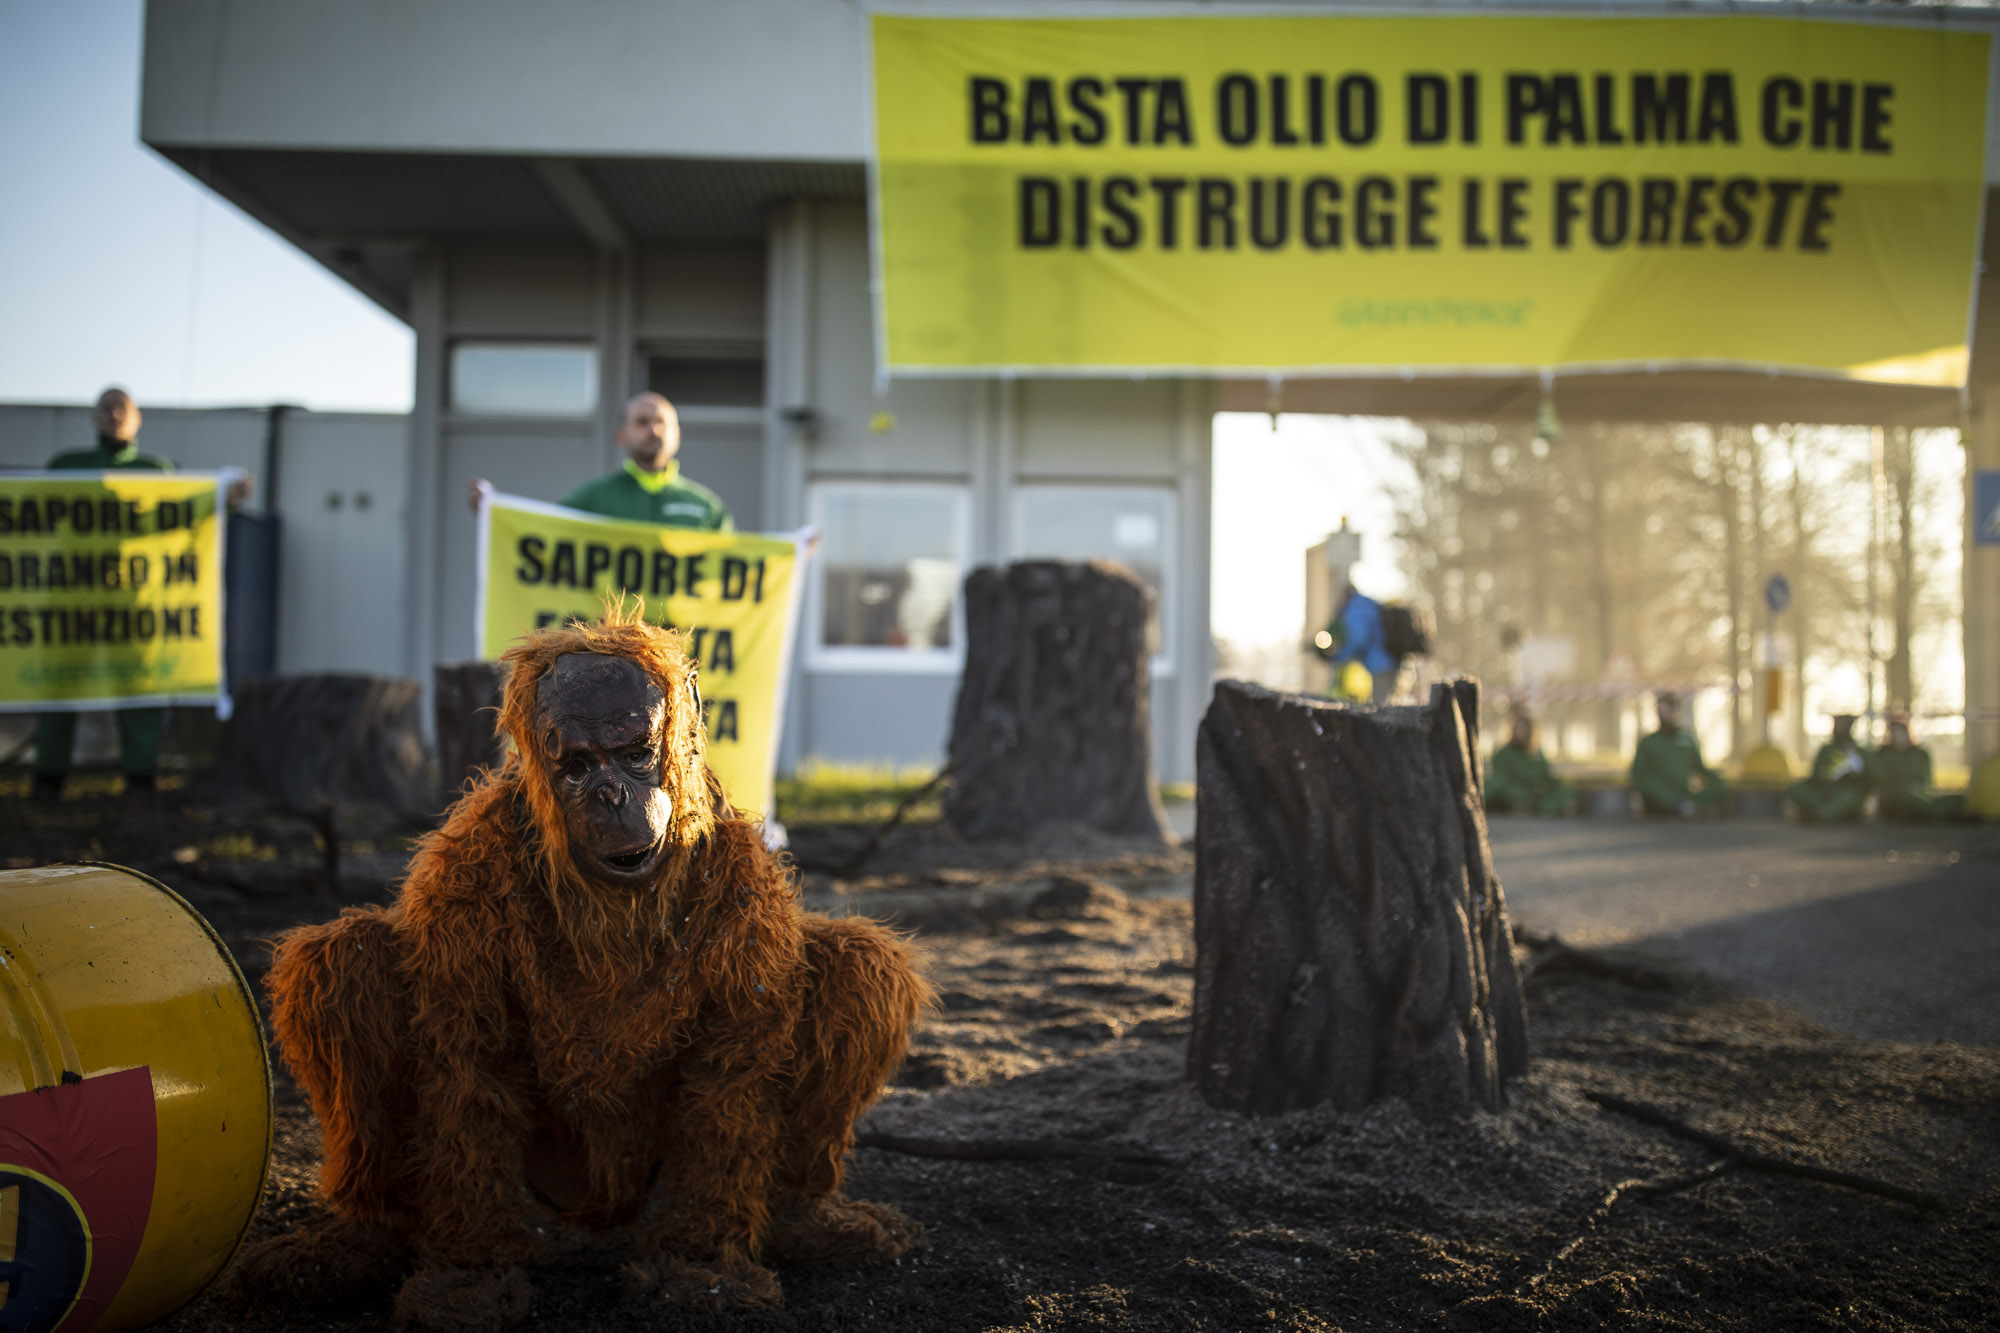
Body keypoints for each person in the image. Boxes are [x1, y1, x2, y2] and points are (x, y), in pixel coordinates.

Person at [33, 388, 253, 801]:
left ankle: (139, 782)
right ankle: (47, 780)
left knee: (138, 691)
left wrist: (228, 500)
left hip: (133, 602)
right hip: (72, 600)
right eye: (106, 407)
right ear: (94, 417)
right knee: (59, 688)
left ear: (137, 420)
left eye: (123, 408)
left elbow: (181, 512)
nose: (115, 415)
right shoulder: (66, 466)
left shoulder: (155, 470)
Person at [470, 392, 731, 530]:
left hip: (683, 633)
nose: (654, 429)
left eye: (662, 422)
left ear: (678, 435)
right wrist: (494, 510)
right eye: (642, 422)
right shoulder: (593, 498)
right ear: (621, 436)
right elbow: (543, 535)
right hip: (610, 632)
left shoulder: (707, 508)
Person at [1630, 693, 1728, 817]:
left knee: (1719, 787)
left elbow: (1700, 769)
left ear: (1676, 711)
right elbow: (1639, 777)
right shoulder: (1649, 743)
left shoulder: (1686, 739)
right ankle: (1682, 806)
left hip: (1685, 793)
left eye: (1667, 710)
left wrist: (1718, 783)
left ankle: (1694, 806)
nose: (1663, 715)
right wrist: (1669, 798)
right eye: (1660, 711)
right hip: (1661, 799)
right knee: (1656, 793)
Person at [1785, 713, 1878, 823]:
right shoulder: (1826, 750)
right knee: (1795, 789)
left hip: (1845, 792)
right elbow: (1814, 775)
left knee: (1849, 797)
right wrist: (1824, 780)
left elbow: (1875, 776)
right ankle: (1824, 811)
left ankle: (1822, 814)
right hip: (1823, 791)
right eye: (1836, 724)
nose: (1837, 728)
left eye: (1841, 725)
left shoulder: (1859, 752)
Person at [1874, 710, 1965, 822]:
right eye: (1895, 731)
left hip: (1921, 796)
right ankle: (1940, 815)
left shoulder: (1920, 754)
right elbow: (1879, 779)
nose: (1898, 735)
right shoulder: (1883, 754)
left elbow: (1928, 780)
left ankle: (1936, 811)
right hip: (1895, 799)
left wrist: (1923, 794)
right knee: (1907, 795)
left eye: (1901, 730)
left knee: (1958, 799)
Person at [1485, 711, 1575, 816]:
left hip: (1533, 792)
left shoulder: (1536, 752)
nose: (1518, 732)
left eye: (1522, 729)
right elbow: (1500, 776)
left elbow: (1546, 775)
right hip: (1512, 789)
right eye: (1516, 729)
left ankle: (1558, 806)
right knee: (1497, 785)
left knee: (1563, 788)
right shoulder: (1505, 752)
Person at [1323, 580, 1397, 704]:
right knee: (1390, 704)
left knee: (1381, 707)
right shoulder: (1369, 605)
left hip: (1380, 664)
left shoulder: (1355, 611)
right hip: (1392, 659)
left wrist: (1339, 656)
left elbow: (1359, 639)